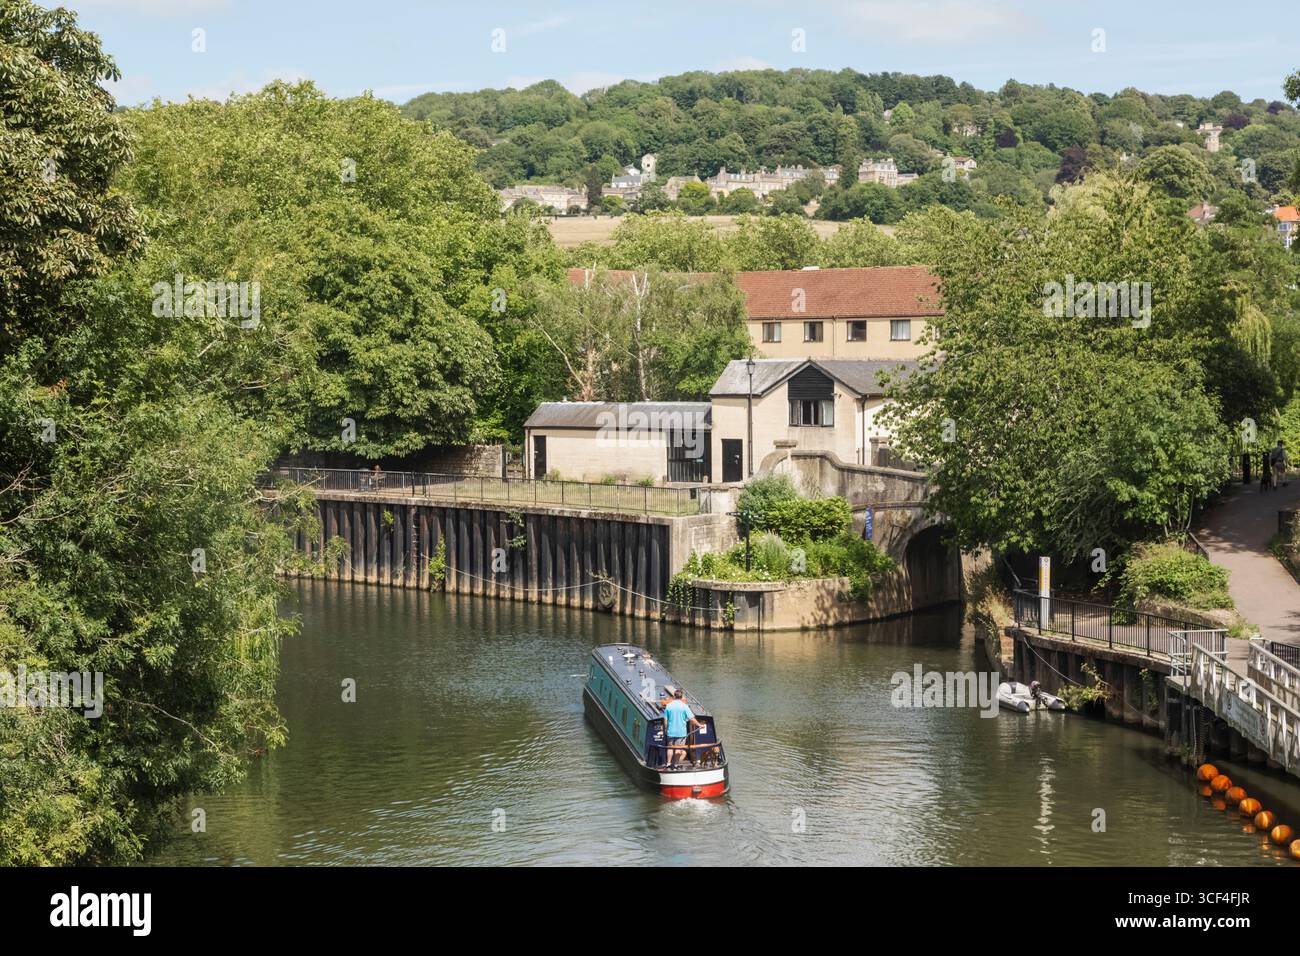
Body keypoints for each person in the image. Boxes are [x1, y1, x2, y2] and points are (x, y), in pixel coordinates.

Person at [661, 689, 705, 769]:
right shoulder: (685, 707)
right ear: (681, 697)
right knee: (678, 749)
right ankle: (675, 765)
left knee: (670, 748)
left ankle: (668, 763)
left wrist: (666, 729)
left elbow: (665, 720)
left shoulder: (669, 706)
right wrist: (699, 725)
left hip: (671, 731)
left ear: (674, 696)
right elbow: (691, 719)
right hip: (681, 733)